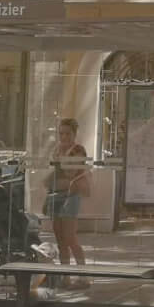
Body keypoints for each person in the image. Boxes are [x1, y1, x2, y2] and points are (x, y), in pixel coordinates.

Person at [47, 118, 91, 288]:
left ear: (74, 134)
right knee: (60, 239)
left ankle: (83, 275)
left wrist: (62, 157)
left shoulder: (78, 150)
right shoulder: (57, 149)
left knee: (70, 237)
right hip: (56, 194)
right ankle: (65, 277)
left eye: (67, 134)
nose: (63, 137)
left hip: (71, 195)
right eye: (61, 133)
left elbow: (71, 172)